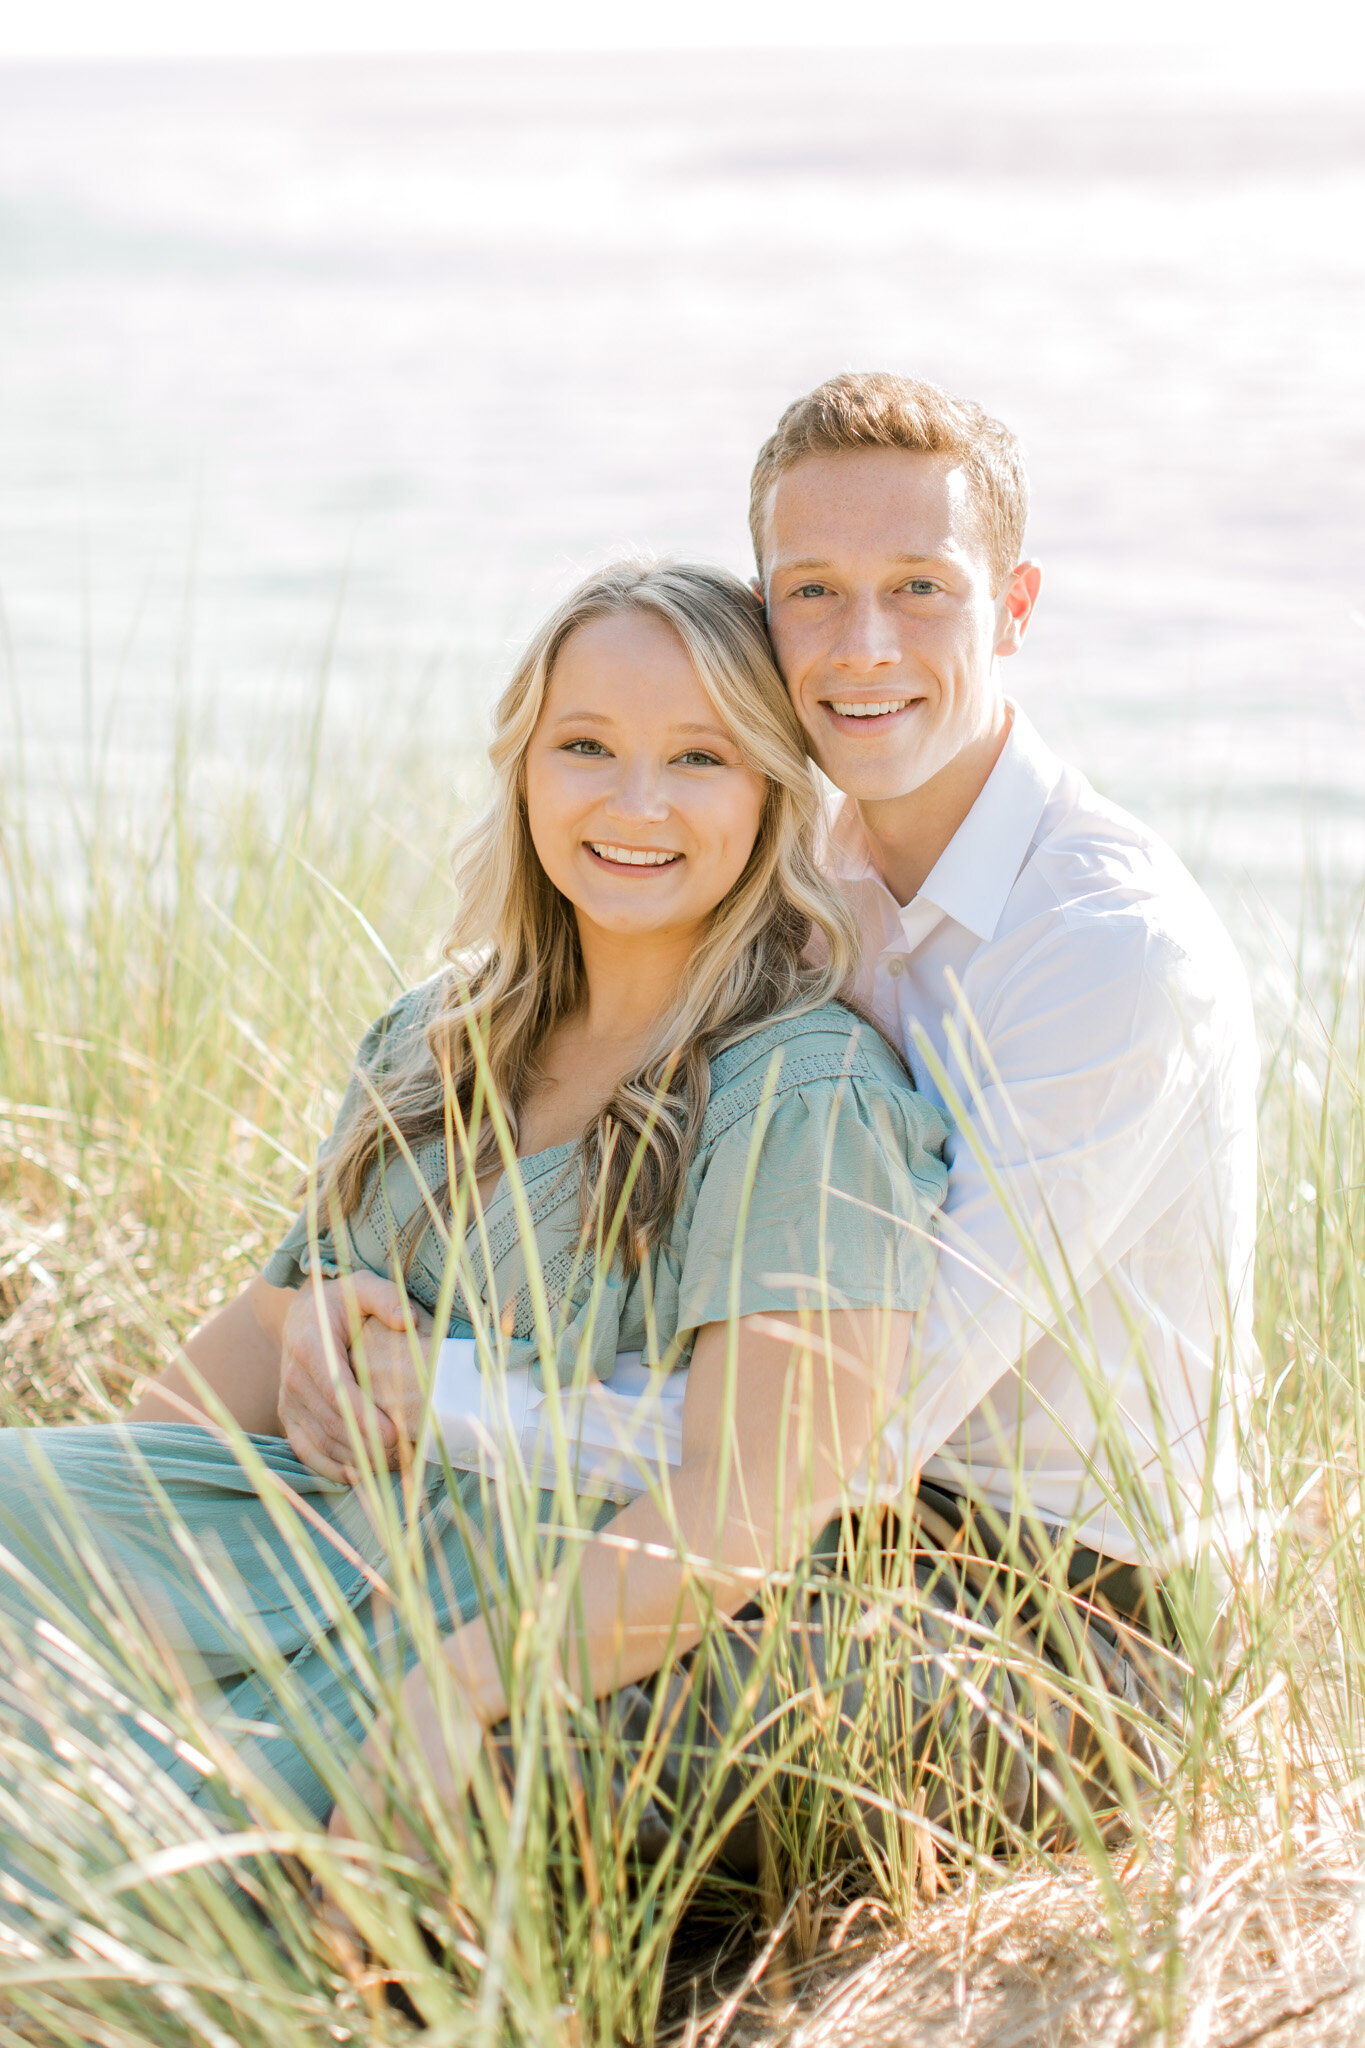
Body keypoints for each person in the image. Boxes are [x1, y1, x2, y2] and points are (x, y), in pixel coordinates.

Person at [0, 561, 950, 1893]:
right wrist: (126, 1572)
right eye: (585, 747)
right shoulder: (437, 1032)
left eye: (698, 757)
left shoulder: (800, 1088)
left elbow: (754, 1498)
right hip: (303, 1533)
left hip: (497, 1599)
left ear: (771, 795)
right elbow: (207, 1394)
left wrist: (463, 1689)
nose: (634, 803)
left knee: (82, 1866)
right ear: (522, 768)